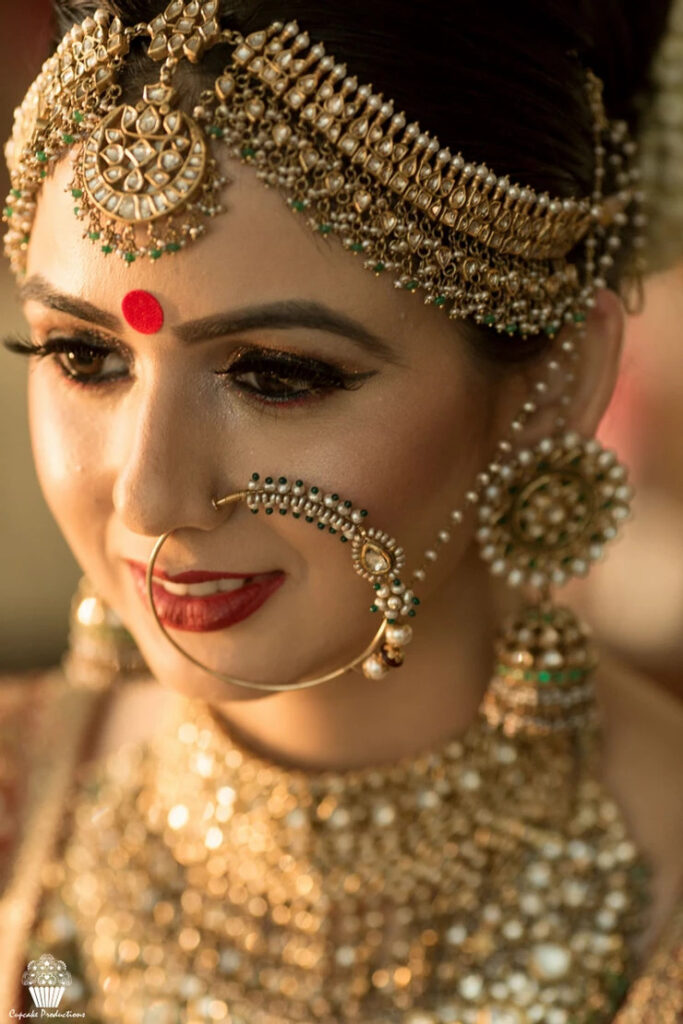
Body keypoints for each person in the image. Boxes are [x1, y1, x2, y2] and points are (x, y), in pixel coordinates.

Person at [0, 1, 681, 1021]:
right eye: (83, 356)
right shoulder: (18, 815)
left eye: (278, 374)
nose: (150, 496)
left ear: (553, 380)